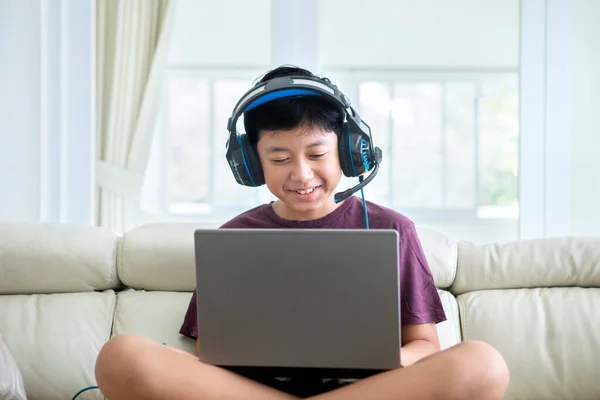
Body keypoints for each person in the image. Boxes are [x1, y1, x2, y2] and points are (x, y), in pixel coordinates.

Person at [95, 65, 510, 399]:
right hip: (253, 391)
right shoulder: (233, 236)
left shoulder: (393, 229)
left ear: (348, 151)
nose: (301, 174)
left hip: (369, 390)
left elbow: (424, 345)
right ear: (252, 164)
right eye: (279, 158)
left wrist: (379, 368)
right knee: (121, 356)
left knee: (484, 364)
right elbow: (209, 350)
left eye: (316, 154)